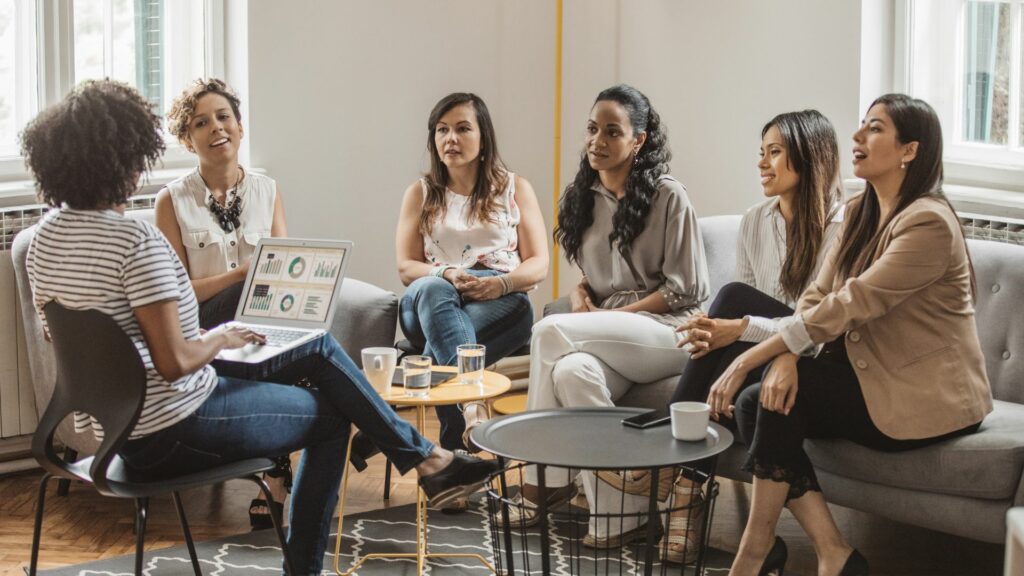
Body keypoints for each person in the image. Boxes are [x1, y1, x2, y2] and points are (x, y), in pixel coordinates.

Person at [21, 79, 500, 576]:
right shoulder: (135, 242)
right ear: (125, 158)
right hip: (169, 429)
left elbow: (71, 340)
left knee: (315, 348)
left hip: (114, 427)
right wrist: (220, 338)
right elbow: (175, 360)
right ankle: (376, 506)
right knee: (333, 418)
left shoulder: (45, 239)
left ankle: (427, 460)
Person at [710, 94, 992, 576]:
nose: (857, 137)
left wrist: (750, 358)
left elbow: (853, 301)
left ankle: (752, 556)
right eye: (861, 126)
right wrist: (787, 358)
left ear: (910, 150)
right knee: (761, 402)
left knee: (778, 399)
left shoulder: (928, 222)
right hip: (868, 376)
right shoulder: (860, 211)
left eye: (875, 129)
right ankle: (833, 551)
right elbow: (816, 296)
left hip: (925, 396)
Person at [514, 84, 710, 547]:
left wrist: (607, 314)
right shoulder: (584, 198)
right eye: (591, 129)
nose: (596, 141)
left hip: (670, 332)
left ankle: (543, 481)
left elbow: (687, 288)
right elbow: (594, 279)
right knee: (572, 372)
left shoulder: (668, 197)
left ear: (638, 140)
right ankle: (622, 517)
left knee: (549, 330)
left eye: (612, 131)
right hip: (609, 335)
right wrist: (584, 297)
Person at [651, 110, 844, 564]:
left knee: (732, 298)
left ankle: (681, 473)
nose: (762, 163)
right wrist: (728, 331)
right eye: (762, 153)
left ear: (809, 157)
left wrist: (738, 329)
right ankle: (686, 481)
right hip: (773, 348)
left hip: (819, 352)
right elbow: (754, 313)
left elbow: (816, 325)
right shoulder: (756, 220)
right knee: (727, 311)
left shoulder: (842, 226)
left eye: (775, 153)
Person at [156, 78, 295, 530]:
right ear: (187, 138)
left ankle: (277, 477)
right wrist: (239, 276)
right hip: (203, 323)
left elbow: (284, 271)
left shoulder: (268, 190)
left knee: (287, 323)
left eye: (224, 117)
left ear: (239, 126)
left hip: (261, 316)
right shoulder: (171, 201)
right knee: (249, 299)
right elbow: (175, 294)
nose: (216, 128)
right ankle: (283, 467)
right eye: (201, 122)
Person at [395, 92, 549, 458]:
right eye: (442, 130)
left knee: (438, 349)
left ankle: (453, 458)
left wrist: (501, 284)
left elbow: (539, 262)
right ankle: (473, 406)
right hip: (428, 300)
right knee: (433, 290)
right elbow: (406, 266)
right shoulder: (420, 193)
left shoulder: (514, 188)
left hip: (500, 300)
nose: (451, 139)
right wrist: (447, 272)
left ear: (484, 138)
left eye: (463, 129)